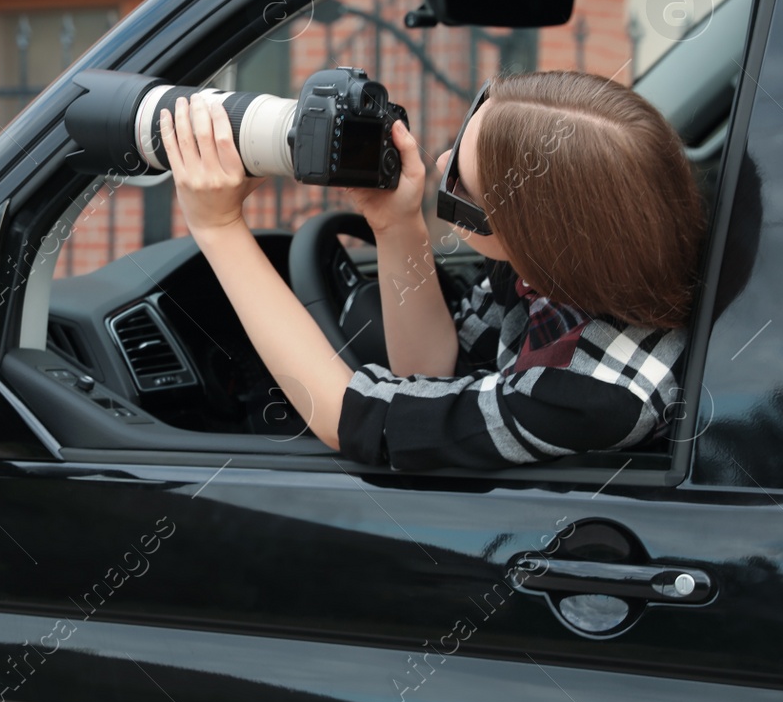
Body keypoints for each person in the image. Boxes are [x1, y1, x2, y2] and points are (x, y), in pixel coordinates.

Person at [157, 69, 706, 470]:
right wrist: (398, 227)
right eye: (462, 139)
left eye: (460, 182)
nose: (440, 164)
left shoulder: (592, 398)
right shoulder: (563, 276)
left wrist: (220, 228)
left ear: (532, 233)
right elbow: (432, 373)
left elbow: (351, 419)